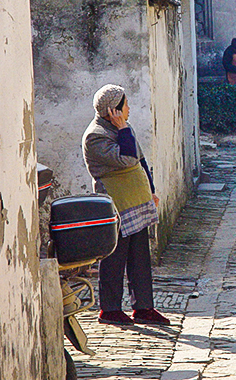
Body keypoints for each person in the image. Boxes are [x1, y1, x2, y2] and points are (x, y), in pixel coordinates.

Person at [82, 84, 170, 326]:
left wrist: (150, 191)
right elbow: (127, 159)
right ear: (114, 111)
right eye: (125, 106)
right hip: (116, 204)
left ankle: (143, 307)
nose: (129, 110)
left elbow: (140, 160)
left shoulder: (124, 129)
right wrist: (123, 131)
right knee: (114, 257)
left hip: (136, 201)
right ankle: (109, 309)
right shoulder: (95, 136)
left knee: (140, 257)